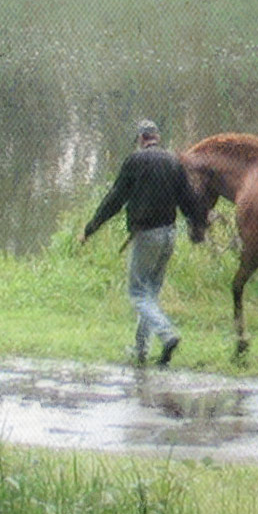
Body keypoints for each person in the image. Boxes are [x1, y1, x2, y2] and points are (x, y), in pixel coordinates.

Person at [79, 120, 207, 366]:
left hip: (146, 236)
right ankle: (141, 350)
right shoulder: (173, 161)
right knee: (150, 294)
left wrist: (90, 229)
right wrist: (199, 224)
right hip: (169, 235)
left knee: (137, 293)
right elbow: (189, 200)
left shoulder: (134, 162)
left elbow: (114, 200)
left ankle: (167, 333)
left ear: (140, 139)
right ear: (157, 137)